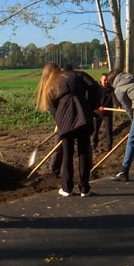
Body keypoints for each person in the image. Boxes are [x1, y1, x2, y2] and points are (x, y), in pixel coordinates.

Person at [36, 62, 93, 197]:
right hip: (83, 114)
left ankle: (67, 188)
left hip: (65, 118)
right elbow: (93, 86)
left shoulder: (50, 86)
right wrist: (91, 106)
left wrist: (59, 121)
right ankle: (85, 188)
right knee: (84, 151)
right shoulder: (76, 75)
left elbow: (53, 109)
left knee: (67, 153)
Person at [92, 73, 115, 151]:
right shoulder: (97, 89)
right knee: (95, 130)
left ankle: (109, 148)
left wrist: (118, 105)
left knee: (108, 130)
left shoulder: (111, 89)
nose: (105, 82)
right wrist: (98, 106)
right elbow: (94, 99)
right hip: (97, 112)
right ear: (101, 80)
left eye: (107, 80)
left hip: (107, 112)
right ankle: (93, 146)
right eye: (104, 80)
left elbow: (114, 98)